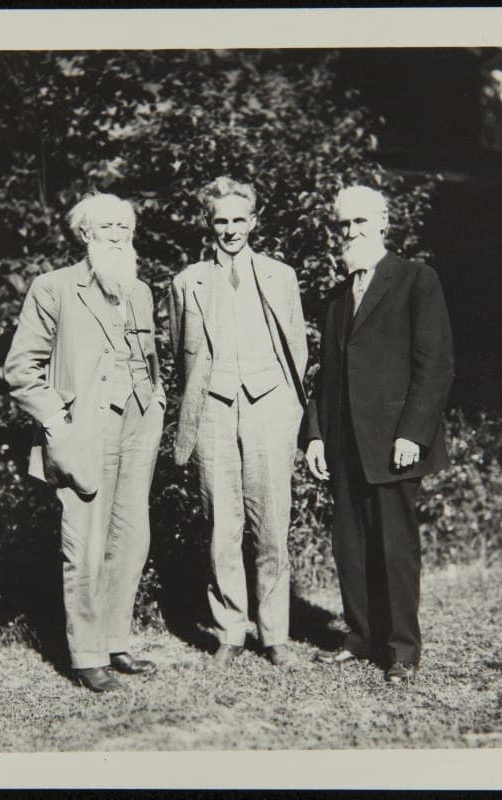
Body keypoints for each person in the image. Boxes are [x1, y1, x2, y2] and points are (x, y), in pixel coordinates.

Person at [4, 192, 165, 693]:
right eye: (106, 227)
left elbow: (149, 357)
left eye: (124, 226)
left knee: (131, 539)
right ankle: (88, 656)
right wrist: (57, 421)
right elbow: (20, 370)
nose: (117, 235)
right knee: (86, 544)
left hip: (139, 425)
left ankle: (115, 641)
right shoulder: (54, 287)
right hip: (84, 431)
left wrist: (158, 398)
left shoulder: (140, 290)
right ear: (85, 234)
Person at [304, 185, 454, 684]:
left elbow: (435, 365)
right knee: (349, 546)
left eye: (361, 221)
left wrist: (413, 433)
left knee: (394, 548)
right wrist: (315, 436)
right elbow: (326, 376)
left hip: (394, 443)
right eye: (344, 224)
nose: (351, 231)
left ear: (384, 221)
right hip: (343, 444)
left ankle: (402, 649)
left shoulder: (416, 279)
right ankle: (360, 636)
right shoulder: (337, 296)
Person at [169, 176, 307, 667]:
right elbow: (181, 355)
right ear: (208, 224)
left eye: (238, 220)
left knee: (271, 523)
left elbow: (296, 349)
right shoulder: (187, 282)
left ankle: (275, 635)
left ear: (254, 221)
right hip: (212, 410)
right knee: (221, 525)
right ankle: (229, 631)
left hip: (269, 406)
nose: (230, 229)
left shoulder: (279, 276)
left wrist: (290, 409)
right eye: (220, 220)